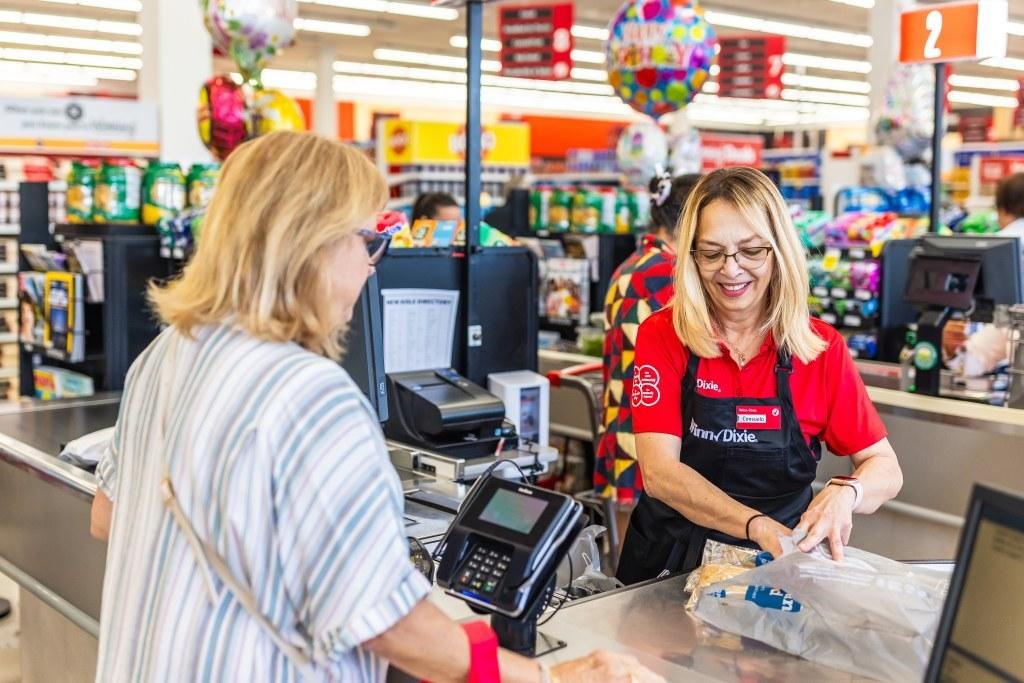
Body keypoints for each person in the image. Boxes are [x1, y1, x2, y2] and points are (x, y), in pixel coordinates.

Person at [89, 131, 660, 683]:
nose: (371, 266)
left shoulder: (164, 355)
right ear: (310, 244)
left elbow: (108, 516)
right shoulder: (309, 395)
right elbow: (387, 623)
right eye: (368, 243)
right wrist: (546, 677)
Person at [616, 167, 904, 586]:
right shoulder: (664, 334)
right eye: (712, 253)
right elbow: (661, 474)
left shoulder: (819, 348)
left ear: (780, 249)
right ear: (691, 256)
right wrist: (756, 526)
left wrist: (847, 492)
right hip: (670, 565)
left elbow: (885, 467)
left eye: (751, 251)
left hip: (777, 575)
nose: (731, 270)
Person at [596, 171, 702, 507]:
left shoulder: (633, 264)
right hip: (648, 436)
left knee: (628, 550)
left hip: (624, 428)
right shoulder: (666, 273)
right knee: (649, 555)